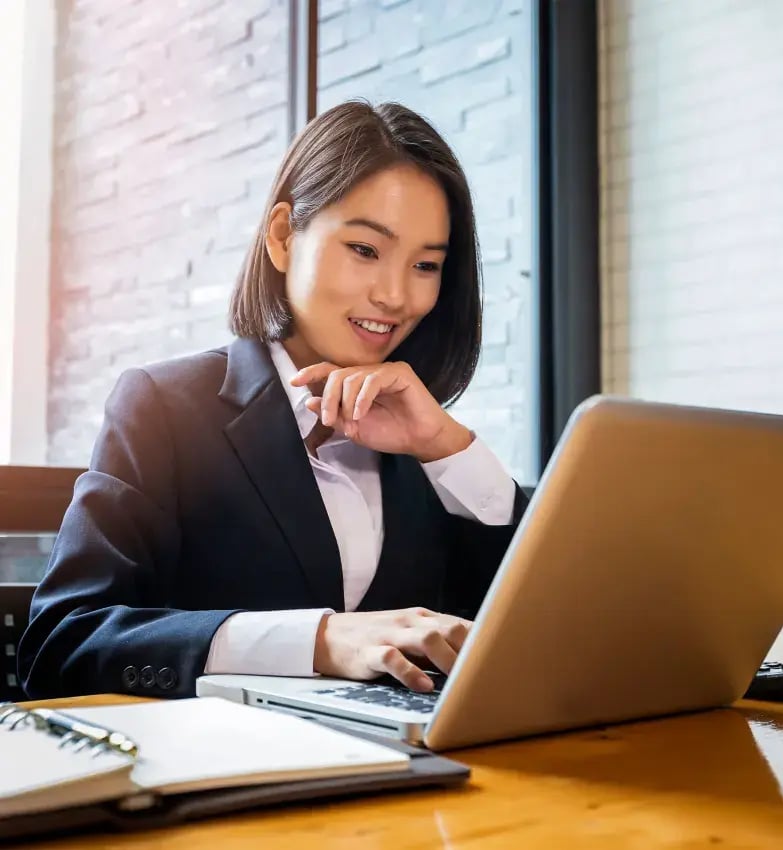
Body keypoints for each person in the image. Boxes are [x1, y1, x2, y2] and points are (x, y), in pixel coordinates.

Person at [19, 100, 528, 700]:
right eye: (365, 249)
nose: (395, 295)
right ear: (284, 238)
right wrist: (318, 641)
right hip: (222, 776)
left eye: (424, 264)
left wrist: (447, 448)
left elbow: (529, 633)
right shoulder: (166, 407)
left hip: (409, 776)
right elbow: (62, 643)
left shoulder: (431, 452)